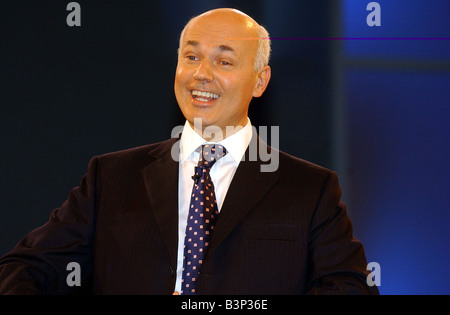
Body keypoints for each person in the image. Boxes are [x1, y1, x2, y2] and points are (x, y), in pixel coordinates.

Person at [0, 8, 379, 295]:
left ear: (259, 81)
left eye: (224, 61)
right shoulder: (111, 176)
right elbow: (21, 269)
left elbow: (351, 288)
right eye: (191, 56)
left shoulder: (309, 189)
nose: (202, 74)